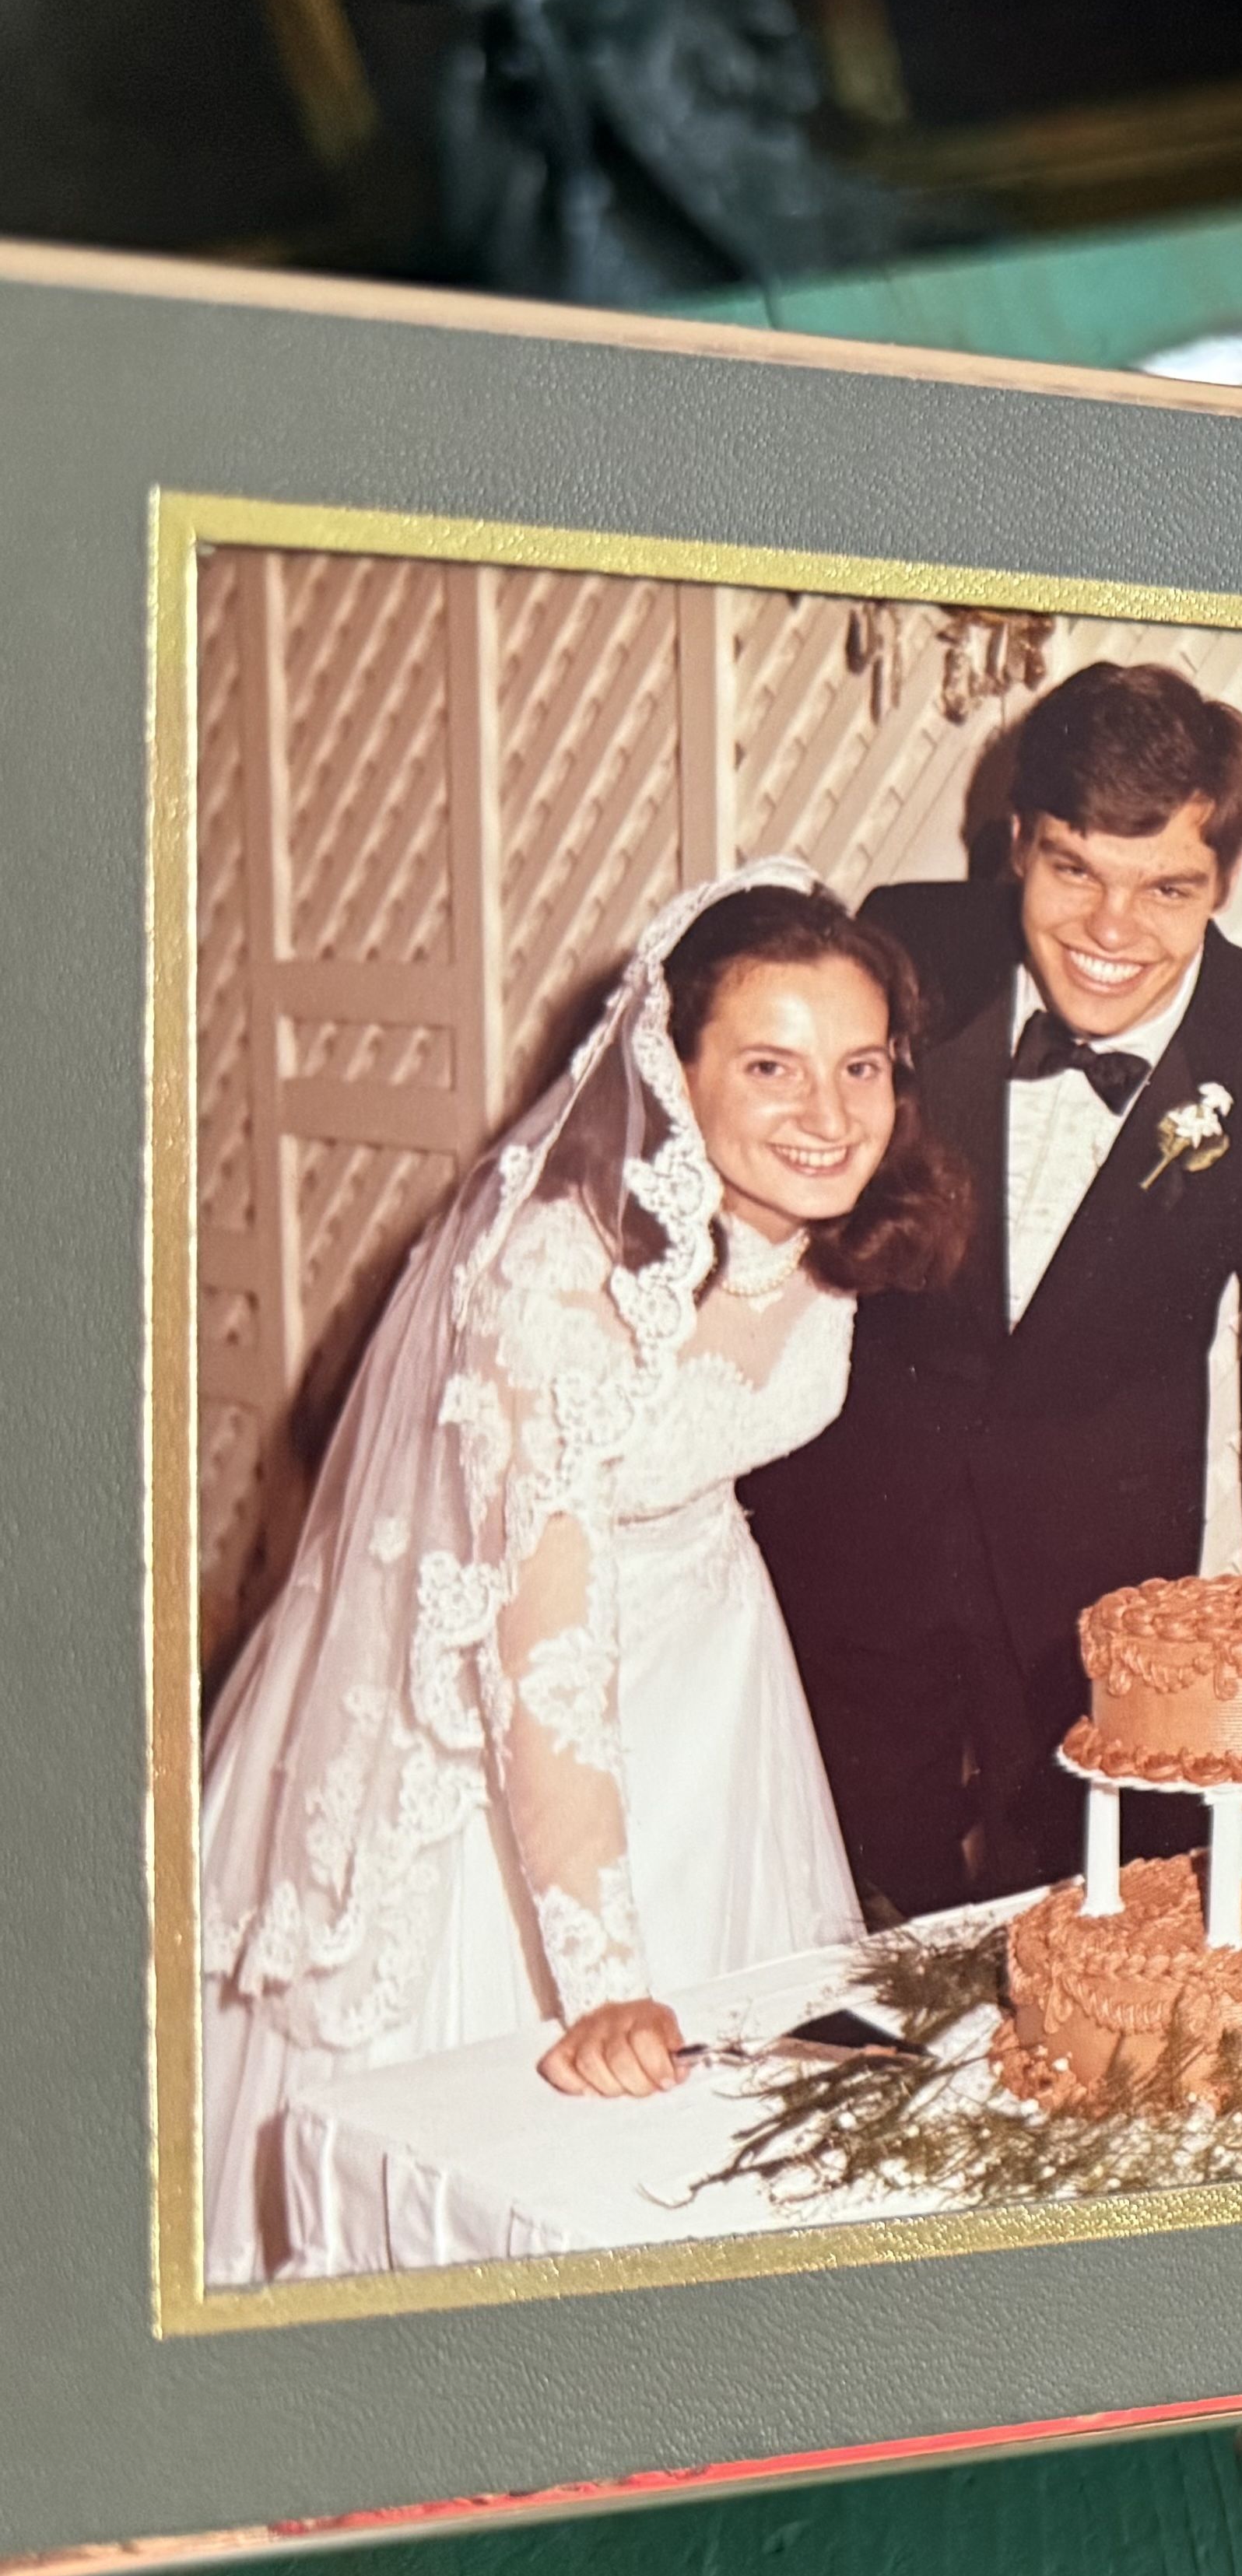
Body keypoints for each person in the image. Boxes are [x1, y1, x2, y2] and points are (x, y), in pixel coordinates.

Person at [195, 869, 970, 2284]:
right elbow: (544, 1660)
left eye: (860, 1065)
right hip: (518, 1716)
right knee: (546, 2144)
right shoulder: (556, 1283)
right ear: (673, 1070)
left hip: (712, 1674)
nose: (829, 1111)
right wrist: (606, 1989)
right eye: (771, 1066)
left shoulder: (826, 1224)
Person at [743, 660, 1242, 1921]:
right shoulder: (903, 950)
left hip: (1094, 1612)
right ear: (1017, 846)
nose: (1111, 928)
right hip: (851, 1550)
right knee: (834, 1940)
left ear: (1225, 881)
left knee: (1103, 1950)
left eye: (1167, 888)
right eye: (1074, 871)